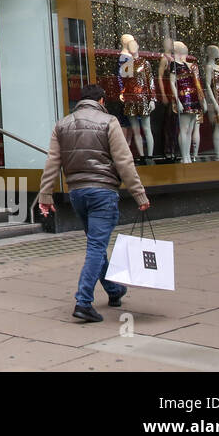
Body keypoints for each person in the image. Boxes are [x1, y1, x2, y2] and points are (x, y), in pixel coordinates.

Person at [38, 84, 150, 323]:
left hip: (77, 193)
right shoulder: (109, 121)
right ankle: (83, 301)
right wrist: (139, 194)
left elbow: (52, 163)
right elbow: (124, 162)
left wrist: (45, 196)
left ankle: (113, 290)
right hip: (102, 192)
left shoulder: (62, 124)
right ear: (100, 100)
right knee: (97, 247)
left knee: (96, 244)